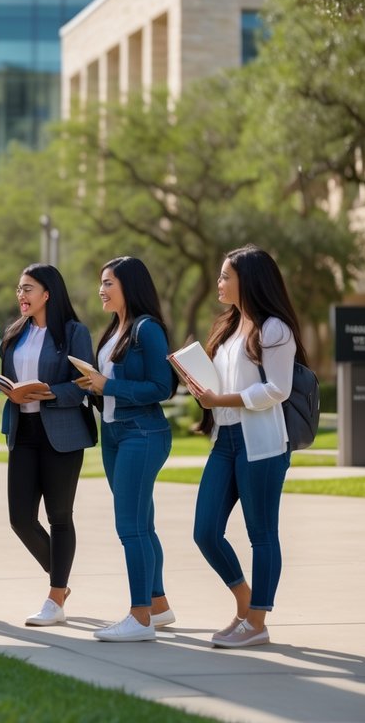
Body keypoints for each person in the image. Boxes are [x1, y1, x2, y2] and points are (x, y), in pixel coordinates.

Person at [186, 245, 304, 649]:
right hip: (225, 440)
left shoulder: (274, 329)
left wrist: (222, 400)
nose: (219, 283)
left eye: (224, 276)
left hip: (263, 443)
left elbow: (278, 389)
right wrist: (203, 388)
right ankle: (244, 601)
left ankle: (257, 622)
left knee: (262, 534)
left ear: (247, 280)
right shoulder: (228, 327)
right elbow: (225, 384)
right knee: (205, 531)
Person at [74, 256, 176, 642]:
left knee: (129, 527)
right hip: (115, 433)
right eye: (101, 283)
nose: (101, 290)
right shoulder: (116, 329)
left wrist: (108, 386)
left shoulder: (147, 330)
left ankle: (140, 618)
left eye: (108, 283)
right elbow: (111, 383)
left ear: (129, 286)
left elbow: (161, 387)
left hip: (142, 433)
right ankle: (159, 605)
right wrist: (94, 385)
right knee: (142, 524)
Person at [0, 264, 97, 627]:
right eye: (19, 289)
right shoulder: (14, 334)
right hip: (22, 430)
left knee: (59, 517)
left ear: (47, 294)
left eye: (28, 289)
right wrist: (9, 389)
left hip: (62, 433)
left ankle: (55, 597)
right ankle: (62, 579)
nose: (21, 295)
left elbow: (86, 383)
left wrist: (50, 392)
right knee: (20, 519)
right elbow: (9, 378)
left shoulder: (74, 333)